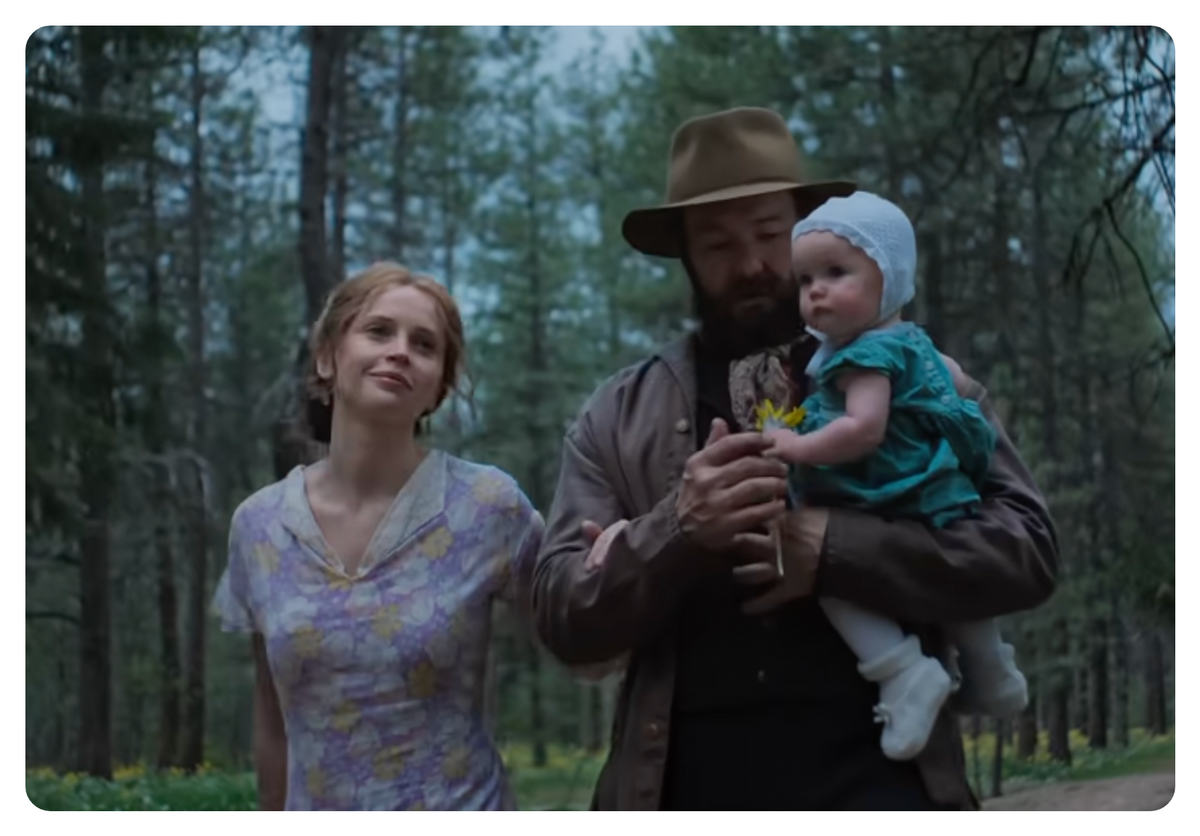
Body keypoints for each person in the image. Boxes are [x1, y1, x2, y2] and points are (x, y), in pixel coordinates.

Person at [532, 107, 1058, 810]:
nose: (752, 265)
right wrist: (676, 532)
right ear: (685, 254)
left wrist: (835, 549)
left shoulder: (916, 372)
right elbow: (563, 618)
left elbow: (1028, 549)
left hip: (888, 792)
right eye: (718, 243)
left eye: (770, 235)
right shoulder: (619, 415)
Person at [211, 262, 545, 811]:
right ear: (327, 356)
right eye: (378, 331)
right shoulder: (259, 527)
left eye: (424, 344)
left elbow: (583, 641)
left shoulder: (488, 506)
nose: (400, 352)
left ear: (438, 386)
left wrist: (625, 563)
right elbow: (273, 721)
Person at [756, 190, 1028, 762]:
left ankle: (901, 670)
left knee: (827, 574)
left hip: (879, 489)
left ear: (890, 277)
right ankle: (991, 669)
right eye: (805, 280)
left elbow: (864, 430)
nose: (816, 291)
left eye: (836, 273)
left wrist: (796, 446)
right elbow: (951, 390)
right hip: (936, 489)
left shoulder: (862, 358)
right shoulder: (916, 344)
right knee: (951, 578)